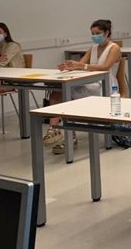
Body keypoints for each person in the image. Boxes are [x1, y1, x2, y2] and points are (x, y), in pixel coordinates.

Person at [42, 19, 121, 154]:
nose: (95, 36)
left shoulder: (114, 48)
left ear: (107, 32)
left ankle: (67, 135)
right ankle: (54, 129)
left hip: (105, 86)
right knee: (57, 92)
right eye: (93, 33)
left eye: (98, 33)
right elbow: (80, 64)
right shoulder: (93, 48)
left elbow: (105, 67)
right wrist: (69, 67)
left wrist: (82, 66)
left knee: (66, 95)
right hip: (90, 82)